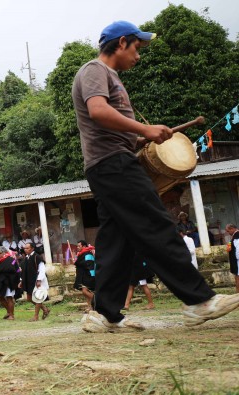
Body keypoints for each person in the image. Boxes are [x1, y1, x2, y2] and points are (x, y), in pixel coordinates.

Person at [72, 21, 239, 332]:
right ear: (121, 43)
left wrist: (140, 139)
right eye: (137, 48)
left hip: (108, 162)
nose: (138, 55)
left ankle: (103, 314)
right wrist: (144, 129)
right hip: (113, 165)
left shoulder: (109, 76)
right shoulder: (95, 70)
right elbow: (97, 111)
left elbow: (108, 127)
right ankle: (197, 300)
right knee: (154, 224)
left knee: (116, 242)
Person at [20, 243, 50, 321]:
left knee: (38, 298)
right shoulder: (26, 258)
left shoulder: (37, 257)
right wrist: (21, 280)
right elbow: (24, 271)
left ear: (32, 248)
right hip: (29, 281)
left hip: (37, 281)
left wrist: (39, 280)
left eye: (27, 248)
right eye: (25, 248)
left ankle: (35, 316)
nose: (25, 250)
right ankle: (45, 309)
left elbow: (42, 269)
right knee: (29, 298)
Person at [0, 246, 19, 320]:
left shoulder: (12, 260)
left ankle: (11, 315)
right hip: (1, 282)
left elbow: (16, 269)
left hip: (9, 281)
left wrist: (18, 278)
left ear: (4, 253)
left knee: (9, 298)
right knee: (0, 297)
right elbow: (0, 272)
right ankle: (9, 311)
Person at [73, 240, 96, 312]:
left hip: (88, 275)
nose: (77, 247)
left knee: (85, 291)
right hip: (83, 275)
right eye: (77, 246)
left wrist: (77, 263)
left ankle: (98, 301)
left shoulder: (88, 253)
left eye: (79, 246)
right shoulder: (81, 254)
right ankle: (90, 307)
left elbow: (87, 264)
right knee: (86, 292)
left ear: (84, 246)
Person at [225, 224, 239, 293]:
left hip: (237, 261)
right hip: (236, 260)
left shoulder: (237, 236)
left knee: (238, 277)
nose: (228, 233)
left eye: (228, 231)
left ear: (232, 229)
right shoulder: (235, 236)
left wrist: (236, 259)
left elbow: (238, 249)